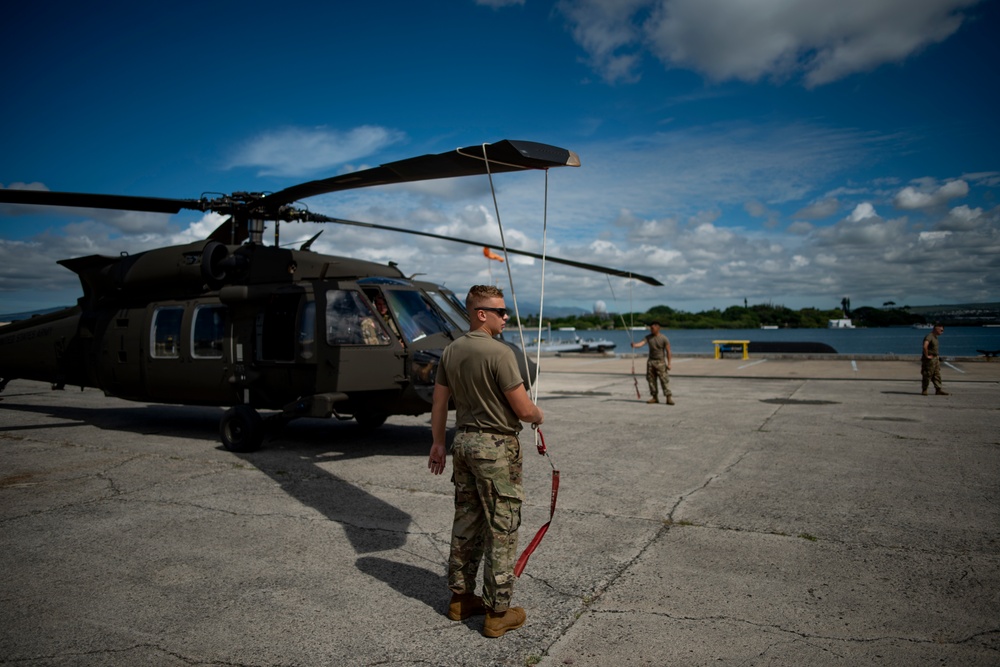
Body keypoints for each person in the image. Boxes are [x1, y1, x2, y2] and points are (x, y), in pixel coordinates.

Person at [427, 284, 544, 638]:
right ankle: (497, 612)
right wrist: (539, 415)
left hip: (462, 443)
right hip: (495, 449)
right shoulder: (500, 353)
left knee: (466, 520)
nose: (506, 317)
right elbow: (523, 410)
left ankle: (460, 600)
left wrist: (436, 444)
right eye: (500, 311)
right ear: (481, 314)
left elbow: (438, 403)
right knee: (502, 528)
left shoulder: (451, 351)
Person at [631, 321, 674, 405]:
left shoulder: (664, 338)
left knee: (664, 380)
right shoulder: (648, 337)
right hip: (651, 361)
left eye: (653, 328)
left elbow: (668, 351)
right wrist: (635, 345)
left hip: (660, 362)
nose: (651, 330)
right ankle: (654, 397)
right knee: (651, 380)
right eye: (650, 328)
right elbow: (641, 343)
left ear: (658, 328)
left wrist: (669, 363)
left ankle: (668, 397)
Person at [921, 323, 949, 396]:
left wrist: (937, 357)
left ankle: (938, 389)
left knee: (936, 374)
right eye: (941, 330)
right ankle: (924, 389)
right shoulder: (929, 336)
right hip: (930, 359)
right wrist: (927, 355)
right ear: (936, 329)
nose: (942, 332)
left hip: (935, 358)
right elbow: (925, 346)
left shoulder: (935, 337)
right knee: (928, 374)